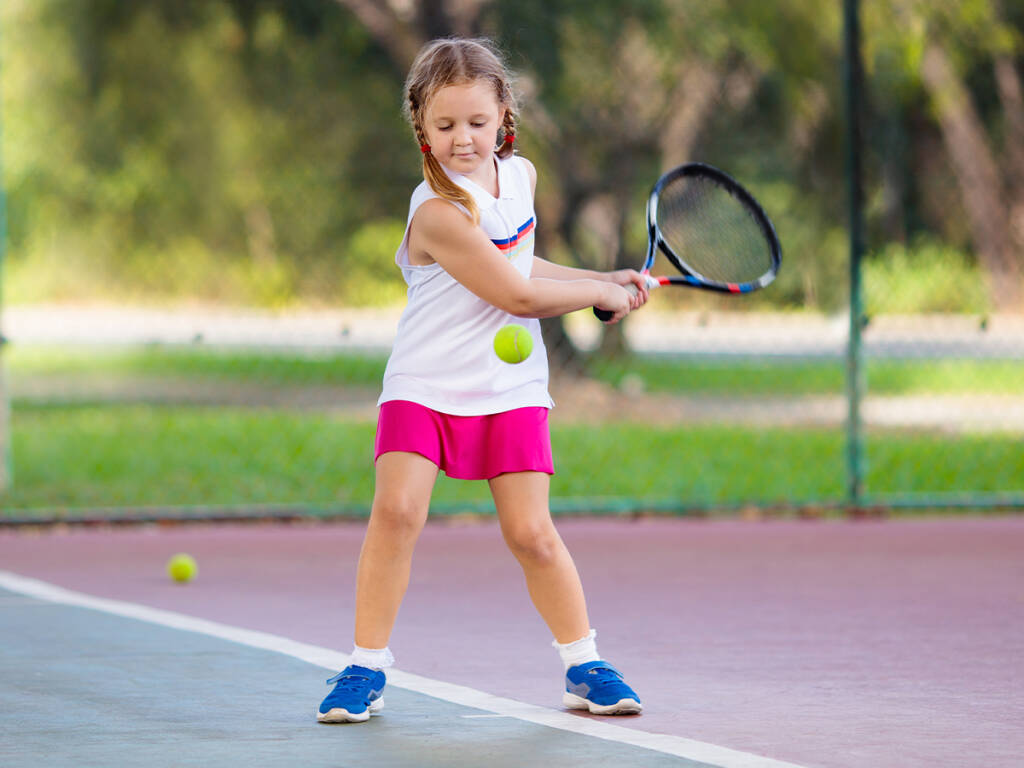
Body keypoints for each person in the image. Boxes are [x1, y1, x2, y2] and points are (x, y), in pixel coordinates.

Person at [318, 37, 648, 724]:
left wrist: (603, 281)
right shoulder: (436, 212)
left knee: (531, 533)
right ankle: (364, 665)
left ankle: (584, 664)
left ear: (504, 117)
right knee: (397, 515)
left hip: (510, 388)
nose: (463, 139)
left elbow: (524, 262)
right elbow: (516, 297)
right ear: (422, 131)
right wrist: (598, 294)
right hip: (424, 384)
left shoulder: (519, 177)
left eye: (476, 122)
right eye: (445, 126)